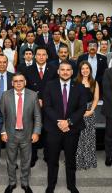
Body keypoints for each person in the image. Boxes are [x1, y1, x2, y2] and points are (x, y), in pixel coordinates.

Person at [43, 61, 87, 193]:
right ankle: (51, 185)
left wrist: (68, 122)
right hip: (53, 129)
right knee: (52, 159)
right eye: (63, 69)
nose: (65, 72)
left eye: (68, 70)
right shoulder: (50, 85)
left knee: (70, 159)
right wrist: (60, 122)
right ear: (58, 71)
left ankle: (71, 185)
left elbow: (82, 107)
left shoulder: (80, 87)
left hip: (72, 129)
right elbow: (47, 106)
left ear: (72, 72)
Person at [0, 73, 41, 193]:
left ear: (25, 82)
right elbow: (1, 116)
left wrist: (36, 132)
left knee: (26, 160)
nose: (18, 83)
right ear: (12, 83)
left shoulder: (33, 96)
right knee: (10, 160)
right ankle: (12, 183)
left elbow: (37, 116)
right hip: (10, 134)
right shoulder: (5, 95)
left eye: (21, 81)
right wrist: (3, 131)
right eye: (16, 81)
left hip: (27, 134)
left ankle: (25, 183)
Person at [23, 46, 58, 167]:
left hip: (49, 106)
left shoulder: (54, 69)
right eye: (39, 54)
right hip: (32, 106)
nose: (41, 57)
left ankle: (48, 156)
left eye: (44, 54)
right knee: (32, 131)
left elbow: (56, 88)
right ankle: (32, 157)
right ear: (34, 56)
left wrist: (45, 100)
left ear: (47, 56)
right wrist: (36, 99)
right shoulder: (28, 70)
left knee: (49, 132)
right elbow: (24, 88)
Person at [75, 61, 99, 170]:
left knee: (88, 137)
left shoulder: (94, 83)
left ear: (90, 70)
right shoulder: (75, 82)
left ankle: (88, 160)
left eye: (87, 68)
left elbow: (96, 99)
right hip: (76, 112)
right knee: (77, 137)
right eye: (83, 68)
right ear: (80, 71)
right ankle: (77, 161)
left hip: (89, 112)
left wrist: (91, 110)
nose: (85, 70)